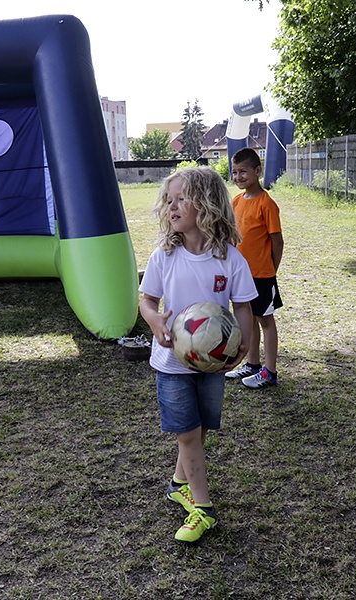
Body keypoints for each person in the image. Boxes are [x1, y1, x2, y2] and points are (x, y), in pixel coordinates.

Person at [139, 166, 256, 544]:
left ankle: (179, 483)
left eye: (181, 199)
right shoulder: (164, 257)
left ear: (206, 205)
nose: (171, 207)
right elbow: (147, 300)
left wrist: (244, 346)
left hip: (214, 363)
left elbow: (242, 309)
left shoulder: (230, 260)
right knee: (188, 435)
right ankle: (203, 509)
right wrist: (156, 321)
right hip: (172, 364)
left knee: (201, 427)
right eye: (168, 200)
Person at [225, 148, 285, 389]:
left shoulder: (267, 204)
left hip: (262, 275)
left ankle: (270, 372)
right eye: (235, 172)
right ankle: (253, 364)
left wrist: (272, 269)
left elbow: (277, 240)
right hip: (241, 275)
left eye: (244, 172)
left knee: (265, 320)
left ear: (258, 171)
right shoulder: (237, 201)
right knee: (247, 318)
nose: (239, 177)